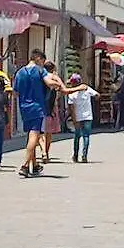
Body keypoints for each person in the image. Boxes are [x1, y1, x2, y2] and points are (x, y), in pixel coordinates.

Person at [14, 49, 85, 177]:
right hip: (37, 107)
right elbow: (49, 82)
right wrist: (58, 84)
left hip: (24, 108)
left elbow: (16, 92)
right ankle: (25, 165)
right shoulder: (40, 70)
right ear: (38, 59)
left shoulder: (20, 72)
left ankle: (34, 166)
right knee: (34, 136)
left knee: (30, 135)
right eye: (42, 61)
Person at [67, 74, 100, 163]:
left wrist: (74, 120)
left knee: (77, 136)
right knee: (86, 136)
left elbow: (71, 109)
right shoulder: (87, 89)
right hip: (88, 116)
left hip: (77, 117)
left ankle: (75, 155)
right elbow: (97, 95)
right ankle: (84, 156)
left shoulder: (71, 94)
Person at [41, 61, 65, 162]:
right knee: (49, 132)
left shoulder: (41, 76)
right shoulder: (54, 77)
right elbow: (63, 89)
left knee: (40, 131)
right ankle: (46, 152)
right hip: (51, 107)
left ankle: (43, 152)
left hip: (40, 105)